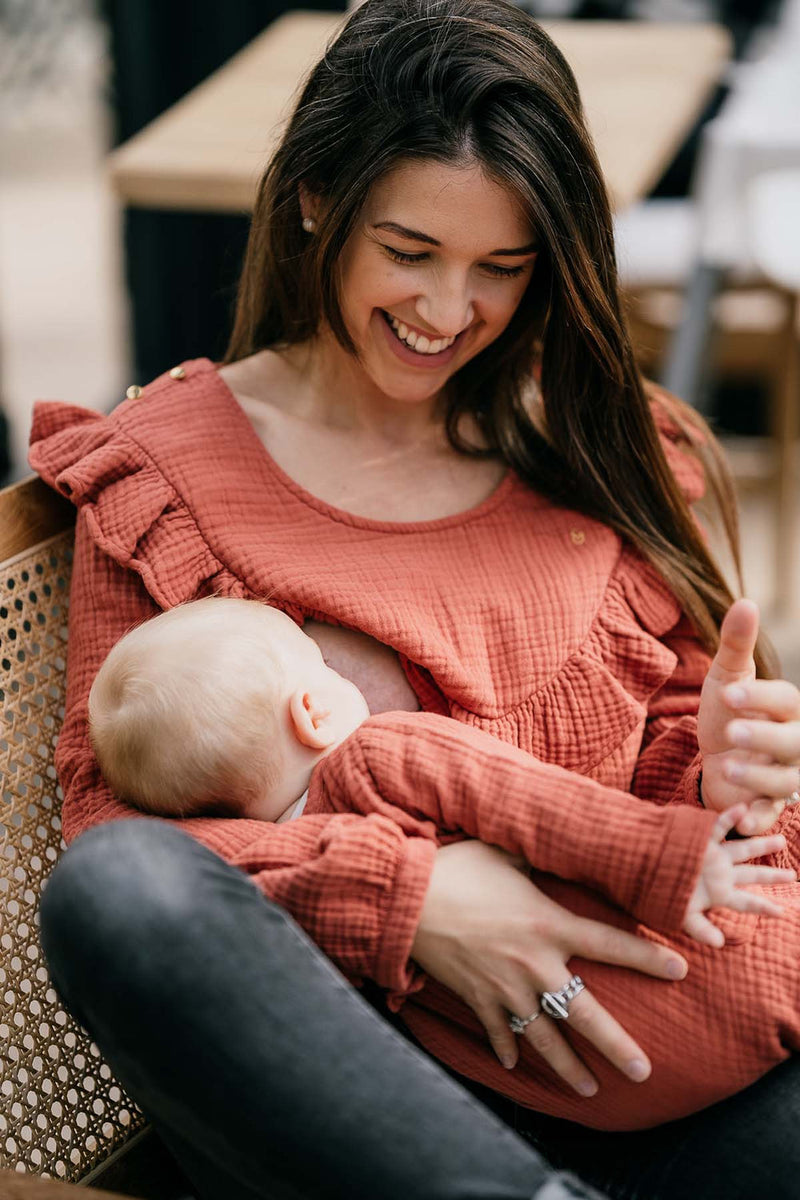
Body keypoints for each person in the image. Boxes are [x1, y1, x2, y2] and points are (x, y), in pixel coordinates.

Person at [27, 0, 800, 1195]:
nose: (448, 313)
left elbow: (693, 826)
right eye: (408, 253)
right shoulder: (167, 473)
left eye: (501, 268)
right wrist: (410, 899)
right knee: (114, 897)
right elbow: (123, 839)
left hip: (660, 1075)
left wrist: (719, 780)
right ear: (315, 203)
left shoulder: (599, 446)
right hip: (360, 1106)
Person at [85, 592, 800, 1130]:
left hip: (610, 1093)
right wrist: (672, 858)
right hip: (713, 984)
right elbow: (539, 804)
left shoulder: (308, 912)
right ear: (315, 710)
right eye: (324, 665)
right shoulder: (380, 752)